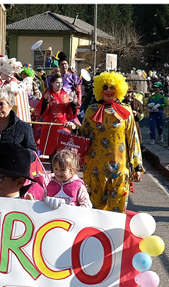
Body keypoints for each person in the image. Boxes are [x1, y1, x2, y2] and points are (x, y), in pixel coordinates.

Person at [78, 71, 144, 213]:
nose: (108, 91)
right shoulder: (91, 110)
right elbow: (83, 136)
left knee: (118, 211)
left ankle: (115, 235)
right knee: (95, 211)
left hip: (120, 170)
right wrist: (73, 129)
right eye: (105, 87)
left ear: (119, 89)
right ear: (99, 89)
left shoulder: (126, 111)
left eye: (112, 87)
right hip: (95, 169)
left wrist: (137, 165)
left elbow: (133, 139)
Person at [37, 72, 78, 156]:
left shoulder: (65, 94)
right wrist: (45, 101)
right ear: (52, 83)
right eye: (57, 83)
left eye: (61, 83)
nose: (60, 85)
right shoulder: (48, 94)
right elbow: (42, 111)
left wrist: (74, 103)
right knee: (48, 147)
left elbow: (70, 111)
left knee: (62, 147)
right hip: (50, 124)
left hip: (63, 124)